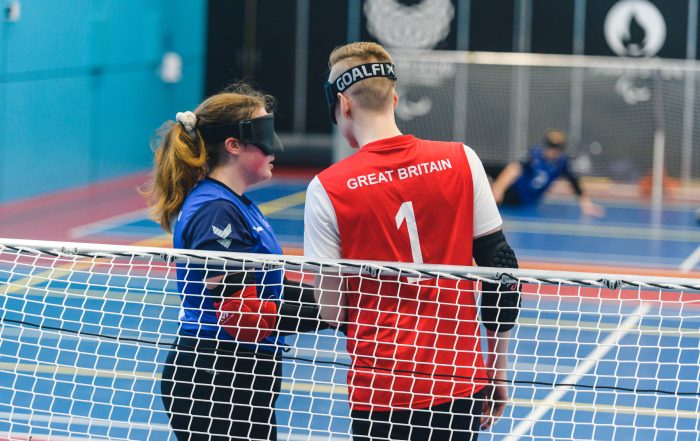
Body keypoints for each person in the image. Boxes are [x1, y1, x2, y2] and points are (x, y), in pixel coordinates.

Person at [304, 42, 521, 440]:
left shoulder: (328, 189)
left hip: (382, 391)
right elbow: (503, 269)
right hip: (460, 379)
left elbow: (332, 312)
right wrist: (497, 371)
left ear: (343, 105)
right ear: (395, 97)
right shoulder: (462, 160)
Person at [144, 83, 327, 441]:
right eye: (264, 135)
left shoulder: (235, 203)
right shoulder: (215, 210)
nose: (275, 148)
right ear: (234, 145)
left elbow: (269, 288)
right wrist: (337, 311)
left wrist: (342, 297)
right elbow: (244, 314)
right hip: (216, 379)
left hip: (245, 375)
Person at [487, 130, 605, 217]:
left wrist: (586, 204)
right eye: (551, 147)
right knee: (485, 166)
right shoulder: (534, 154)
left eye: (557, 149)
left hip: (520, 196)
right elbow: (514, 168)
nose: (553, 152)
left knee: (491, 201)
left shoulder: (562, 163)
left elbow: (574, 182)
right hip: (514, 183)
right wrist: (499, 188)